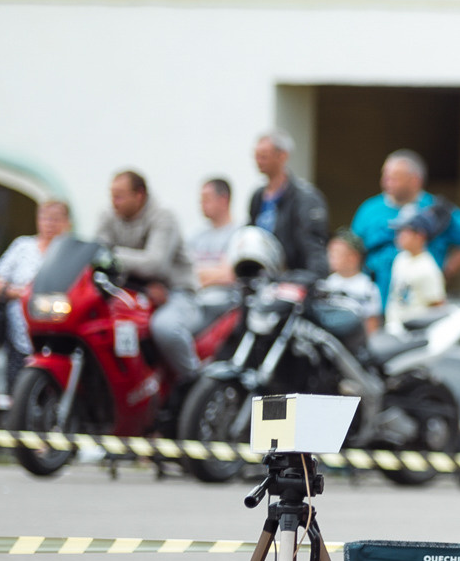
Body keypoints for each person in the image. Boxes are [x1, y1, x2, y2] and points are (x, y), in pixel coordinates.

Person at [93, 171, 202, 386]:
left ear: (139, 195)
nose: (114, 202)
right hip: (131, 291)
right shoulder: (108, 215)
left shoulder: (163, 216)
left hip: (175, 293)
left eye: (120, 196)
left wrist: (111, 255)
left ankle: (193, 384)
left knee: (165, 328)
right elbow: (95, 253)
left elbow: (155, 263)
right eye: (112, 196)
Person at [350, 150, 460, 295]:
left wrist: (444, 271)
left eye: (394, 178)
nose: (386, 182)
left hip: (420, 303)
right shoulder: (369, 209)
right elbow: (351, 249)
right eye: (385, 176)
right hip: (375, 299)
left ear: (414, 180)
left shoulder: (435, 211)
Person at [0, 196, 70, 385]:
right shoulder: (22, 246)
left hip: (57, 327)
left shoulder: (69, 251)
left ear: (67, 222)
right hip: (19, 326)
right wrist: (19, 293)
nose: (50, 224)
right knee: (17, 383)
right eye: (45, 218)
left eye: (56, 218)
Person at [246, 131, 332, 277]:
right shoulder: (258, 196)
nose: (258, 161)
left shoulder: (305, 198)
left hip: (291, 279)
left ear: (282, 156)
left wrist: (310, 279)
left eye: (264, 156)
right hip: (262, 278)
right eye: (256, 156)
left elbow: (313, 246)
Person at [385, 209, 447, 328]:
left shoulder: (428, 268)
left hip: (413, 334)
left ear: (419, 236)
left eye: (404, 232)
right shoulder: (400, 258)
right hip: (393, 328)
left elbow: (438, 306)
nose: (399, 237)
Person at [188, 178, 241, 313]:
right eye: (201, 200)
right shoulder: (196, 237)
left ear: (223, 200)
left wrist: (197, 276)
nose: (201, 204)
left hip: (221, 305)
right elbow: (183, 272)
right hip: (192, 302)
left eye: (206, 199)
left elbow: (228, 275)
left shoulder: (239, 234)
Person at [315, 231, 383, 333]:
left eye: (336, 254)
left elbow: (372, 325)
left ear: (353, 258)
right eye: (330, 253)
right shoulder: (327, 284)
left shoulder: (367, 288)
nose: (330, 258)